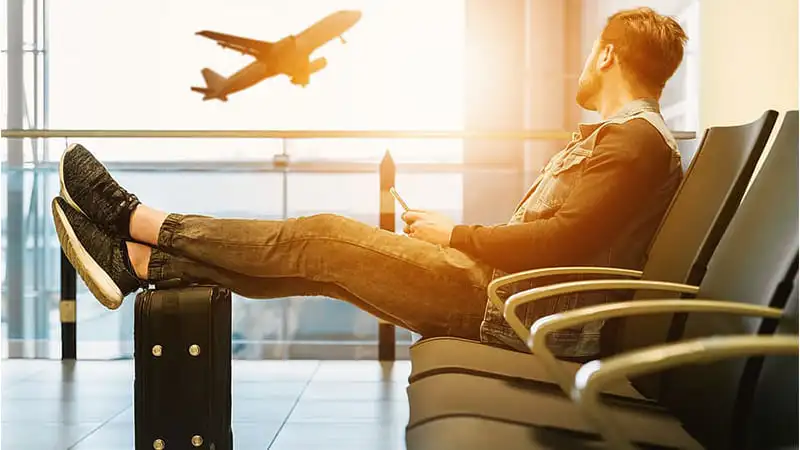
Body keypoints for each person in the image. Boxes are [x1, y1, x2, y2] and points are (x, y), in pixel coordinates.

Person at [52, 7, 687, 358]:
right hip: (506, 299)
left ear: (606, 53)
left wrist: (458, 234)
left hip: (508, 310)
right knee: (323, 267)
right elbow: (565, 238)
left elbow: (564, 241)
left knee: (322, 238)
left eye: (588, 53)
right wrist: (458, 238)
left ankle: (135, 220)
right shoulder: (628, 140)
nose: (582, 65)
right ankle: (139, 262)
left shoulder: (633, 141)